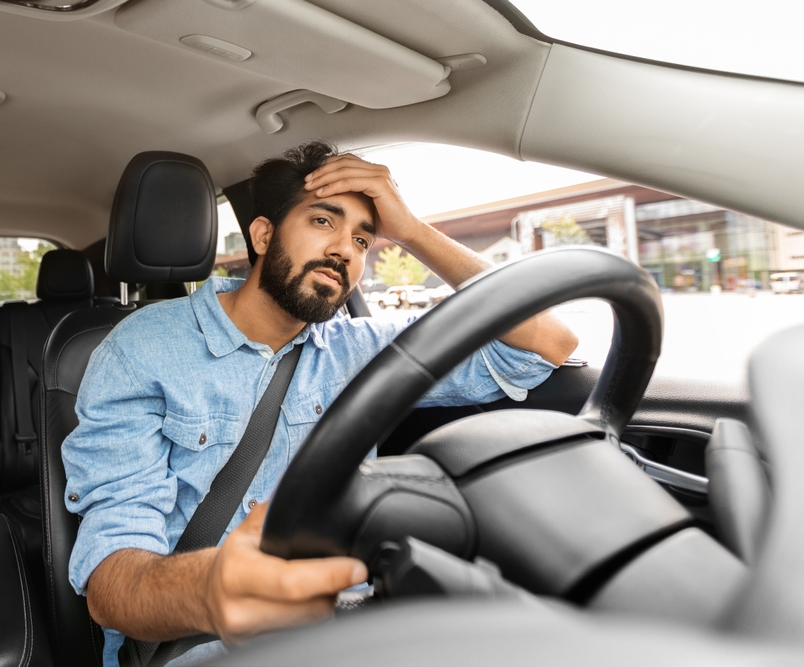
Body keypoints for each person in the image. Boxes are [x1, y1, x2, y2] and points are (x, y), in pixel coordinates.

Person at [62, 141, 578, 666]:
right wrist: (210, 588)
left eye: (362, 238)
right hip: (199, 645)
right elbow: (111, 584)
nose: (345, 250)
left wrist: (414, 232)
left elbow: (546, 344)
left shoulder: (361, 349)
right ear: (263, 235)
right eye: (323, 222)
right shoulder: (141, 349)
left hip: (349, 633)